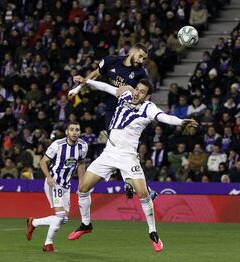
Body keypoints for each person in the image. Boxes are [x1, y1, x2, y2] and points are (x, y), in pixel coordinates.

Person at [67, 77, 198, 252]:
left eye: (142, 92)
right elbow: (106, 87)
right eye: (137, 88)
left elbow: (164, 117)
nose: (137, 92)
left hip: (128, 156)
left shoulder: (148, 108)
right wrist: (87, 81)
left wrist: (181, 121)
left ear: (148, 96)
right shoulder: (126, 94)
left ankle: (153, 232)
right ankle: (86, 224)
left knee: (143, 193)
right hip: (109, 152)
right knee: (82, 188)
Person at [69, 42, 155, 199]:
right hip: (111, 110)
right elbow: (95, 74)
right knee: (115, 144)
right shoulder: (111, 61)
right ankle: (130, 181)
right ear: (132, 52)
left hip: (127, 113)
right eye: (141, 56)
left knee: (124, 145)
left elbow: (145, 94)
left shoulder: (141, 74)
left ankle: (132, 182)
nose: (142, 60)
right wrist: (77, 89)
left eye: (145, 58)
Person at [26, 122, 88, 252]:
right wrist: (48, 177)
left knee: (63, 219)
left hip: (66, 185)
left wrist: (82, 182)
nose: (74, 132)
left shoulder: (83, 146)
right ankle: (48, 244)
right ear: (67, 132)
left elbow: (81, 163)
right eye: (71, 130)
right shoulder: (57, 145)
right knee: (60, 215)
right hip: (54, 182)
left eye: (77, 130)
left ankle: (34, 223)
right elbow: (43, 162)